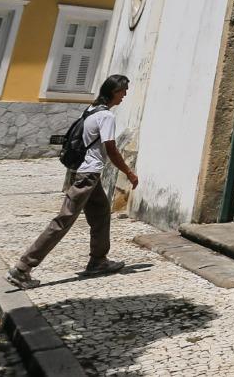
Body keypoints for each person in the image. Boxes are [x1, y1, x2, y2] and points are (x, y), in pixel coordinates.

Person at [7, 75, 139, 288]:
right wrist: (129, 172)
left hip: (87, 173)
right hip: (88, 175)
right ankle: (22, 268)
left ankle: (98, 260)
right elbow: (111, 149)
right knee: (64, 220)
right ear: (115, 92)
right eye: (123, 91)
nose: (125, 96)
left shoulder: (91, 111)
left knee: (101, 214)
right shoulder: (106, 116)